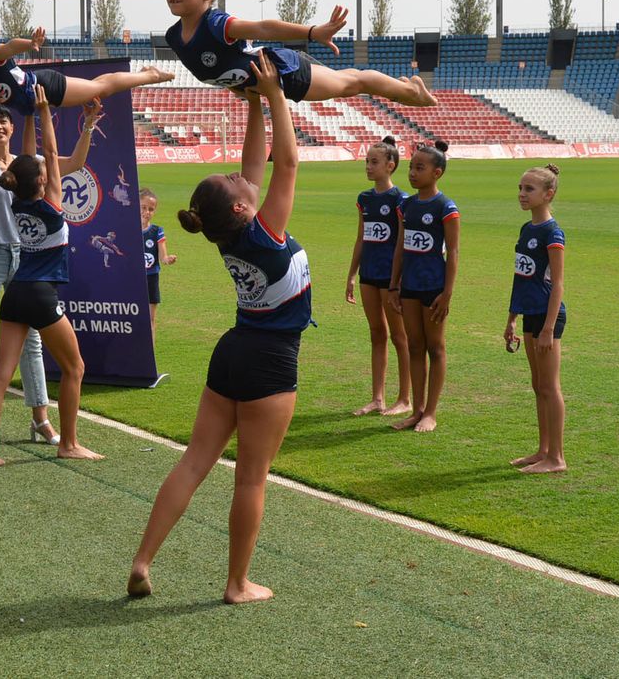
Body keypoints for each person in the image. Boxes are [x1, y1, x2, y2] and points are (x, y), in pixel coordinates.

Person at [128, 52, 308, 605]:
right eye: (233, 182)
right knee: (250, 478)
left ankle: (142, 560)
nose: (238, 175)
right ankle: (237, 583)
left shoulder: (235, 229)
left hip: (232, 351)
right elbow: (286, 163)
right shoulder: (265, 232)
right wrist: (276, 96)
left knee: (194, 461)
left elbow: (253, 168)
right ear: (241, 209)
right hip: (270, 358)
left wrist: (252, 104)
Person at [0, 89, 102, 454]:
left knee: (31, 346)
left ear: (12, 127)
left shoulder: (26, 164)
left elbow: (70, 162)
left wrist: (84, 127)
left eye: (4, 119)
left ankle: (39, 418)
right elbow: (44, 156)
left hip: (22, 259)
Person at [163, 0, 436, 106]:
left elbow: (264, 28)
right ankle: (406, 87)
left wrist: (313, 32)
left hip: (287, 73)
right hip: (269, 84)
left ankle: (412, 91)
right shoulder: (174, 37)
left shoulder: (215, 24)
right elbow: (225, 67)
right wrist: (243, 90)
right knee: (349, 79)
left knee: (352, 83)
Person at [0, 4, 172, 115]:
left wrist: (31, 44)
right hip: (31, 99)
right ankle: (146, 73)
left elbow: (11, 46)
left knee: (101, 88)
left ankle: (149, 75)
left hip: (44, 88)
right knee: (98, 84)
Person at [388, 141, 458, 433]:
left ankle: (431, 412)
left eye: (420, 168)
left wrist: (447, 293)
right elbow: (400, 247)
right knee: (414, 345)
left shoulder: (445, 207)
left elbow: (453, 252)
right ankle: (416, 410)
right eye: (411, 167)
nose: (413, 173)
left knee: (435, 347)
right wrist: (393, 285)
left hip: (434, 287)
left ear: (436, 173)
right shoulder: (406, 205)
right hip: (409, 287)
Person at [506, 164, 568, 474]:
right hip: (529, 312)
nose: (522, 194)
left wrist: (548, 328)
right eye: (520, 188)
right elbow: (521, 277)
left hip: (547, 316)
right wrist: (511, 318)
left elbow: (557, 284)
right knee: (538, 384)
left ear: (548, 194)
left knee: (550, 386)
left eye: (529, 189)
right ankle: (543, 450)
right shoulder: (526, 229)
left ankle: (556, 458)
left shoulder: (552, 233)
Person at [345, 138, 411, 416]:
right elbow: (361, 238)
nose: (368, 167)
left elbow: (402, 243)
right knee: (376, 333)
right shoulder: (364, 199)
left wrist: (397, 280)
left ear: (390, 166)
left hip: (390, 278)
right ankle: (377, 398)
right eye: (367, 161)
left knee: (400, 336)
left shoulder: (400, 200)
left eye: (374, 162)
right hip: (368, 275)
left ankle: (405, 398)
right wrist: (352, 274)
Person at [139, 188, 177, 345]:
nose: (147, 212)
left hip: (151, 278)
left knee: (150, 320)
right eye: (143, 207)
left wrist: (167, 259)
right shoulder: (128, 230)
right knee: (131, 318)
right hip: (132, 279)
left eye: (151, 209)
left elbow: (162, 256)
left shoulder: (157, 231)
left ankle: (150, 357)